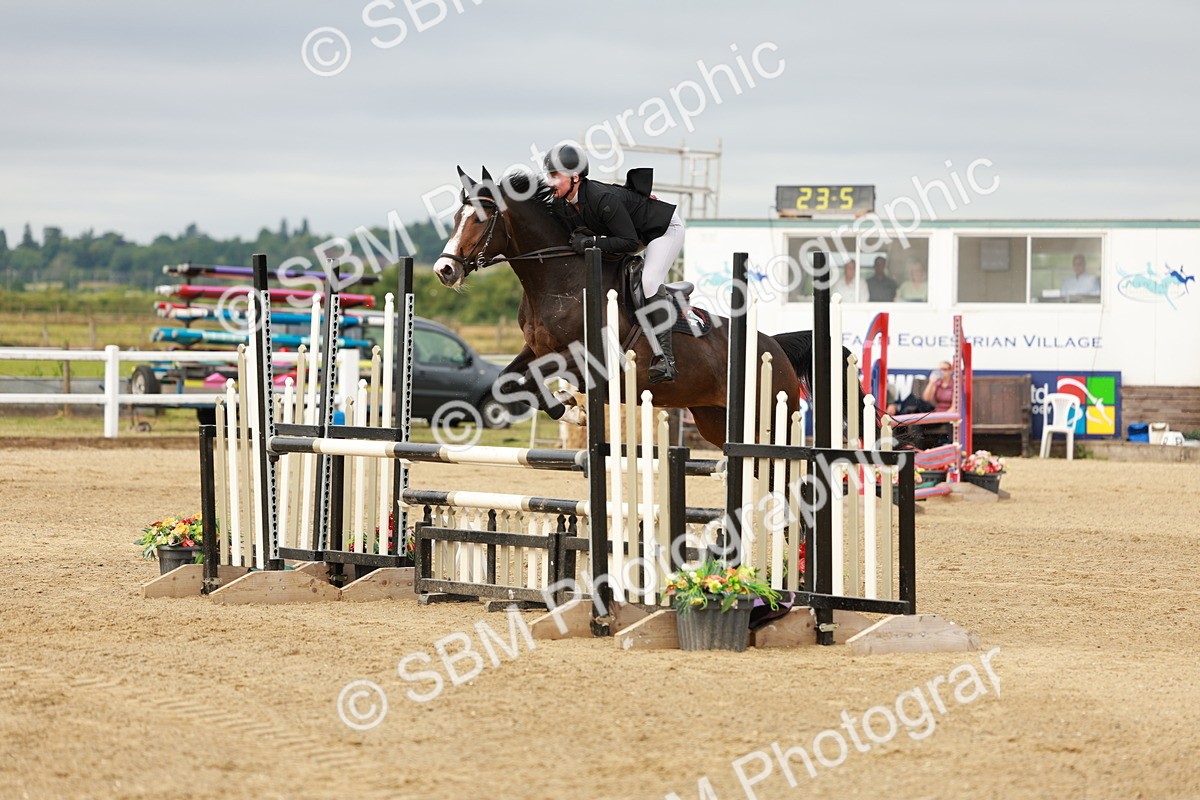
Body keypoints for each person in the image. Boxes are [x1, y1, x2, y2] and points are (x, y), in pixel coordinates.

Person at [542, 142, 685, 383]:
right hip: (632, 234)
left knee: (649, 281)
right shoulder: (562, 202)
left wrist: (590, 243)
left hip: (662, 230)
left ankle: (666, 358)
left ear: (575, 177)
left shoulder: (601, 198)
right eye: (549, 175)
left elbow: (629, 243)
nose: (550, 182)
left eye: (555, 176)